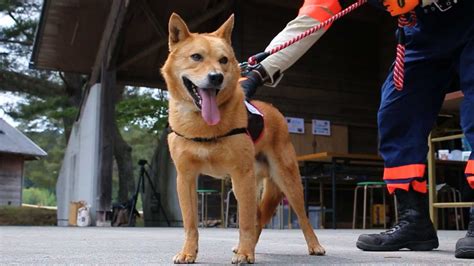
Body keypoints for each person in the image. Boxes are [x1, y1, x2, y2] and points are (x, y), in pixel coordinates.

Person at [240, 0, 474, 258]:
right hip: (421, 33)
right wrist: (258, 72)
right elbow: (309, 21)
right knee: (397, 115)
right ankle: (414, 220)